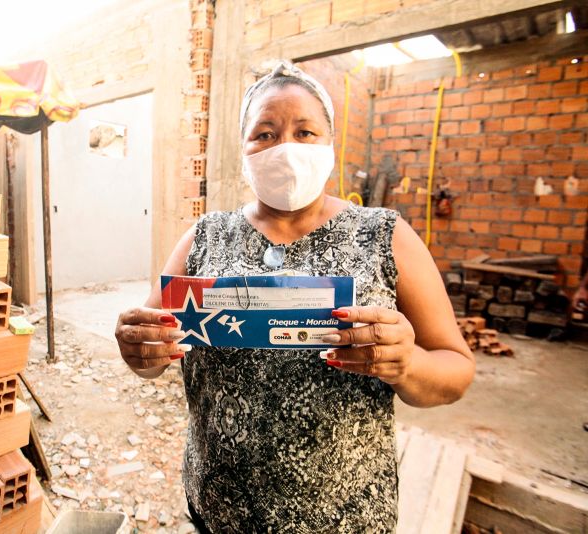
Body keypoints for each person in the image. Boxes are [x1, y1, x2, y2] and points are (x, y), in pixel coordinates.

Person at [115, 61, 475, 533]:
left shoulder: (386, 236)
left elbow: (455, 368)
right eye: (264, 133)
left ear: (329, 144)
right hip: (220, 511)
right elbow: (153, 354)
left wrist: (406, 364)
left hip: (345, 517)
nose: (284, 147)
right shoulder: (204, 237)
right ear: (243, 149)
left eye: (305, 132)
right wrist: (138, 347)